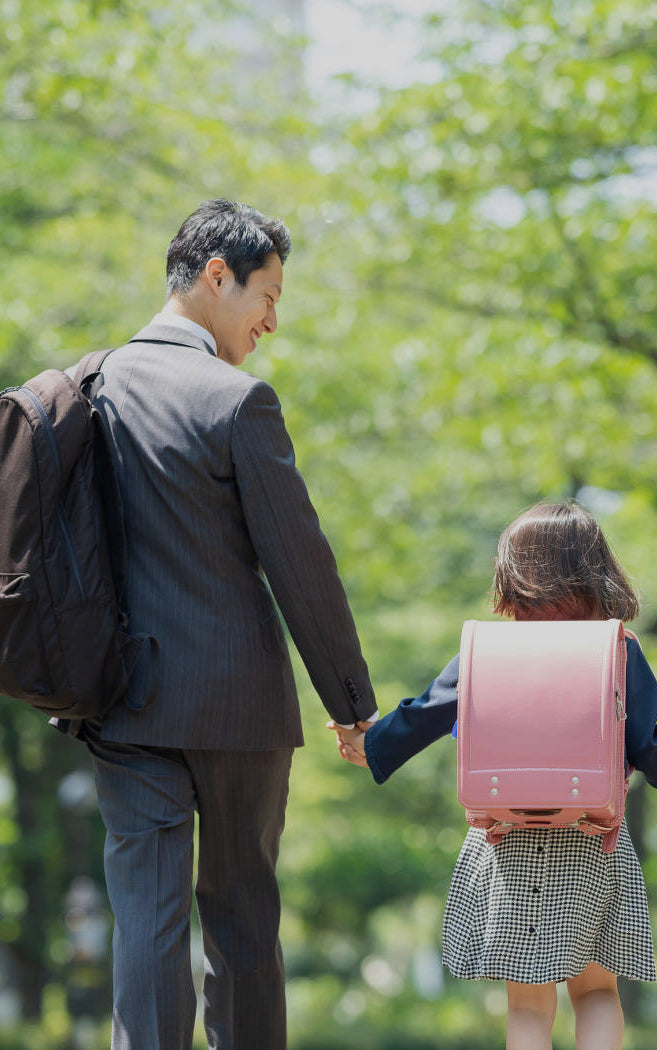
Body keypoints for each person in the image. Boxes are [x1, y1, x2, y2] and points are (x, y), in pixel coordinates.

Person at [78, 199, 378, 1050]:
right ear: (218, 276)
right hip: (237, 705)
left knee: (146, 920)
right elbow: (301, 566)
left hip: (122, 701)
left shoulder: (86, 388)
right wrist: (352, 701)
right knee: (242, 917)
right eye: (268, 296)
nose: (273, 322)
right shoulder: (237, 400)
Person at [333, 501, 657, 1050]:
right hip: (593, 839)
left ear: (511, 574)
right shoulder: (616, 648)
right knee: (597, 993)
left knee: (528, 1004)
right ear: (599, 569)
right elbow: (646, 742)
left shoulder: (488, 648)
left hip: (507, 840)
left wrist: (371, 745)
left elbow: (426, 712)